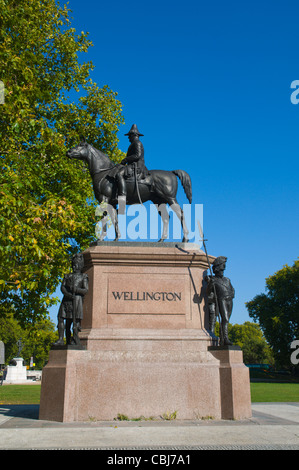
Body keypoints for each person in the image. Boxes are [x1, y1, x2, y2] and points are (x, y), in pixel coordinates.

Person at [53, 253, 89, 346]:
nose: (74, 266)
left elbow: (85, 290)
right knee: (61, 318)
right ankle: (61, 339)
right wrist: (68, 294)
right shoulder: (67, 276)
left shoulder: (83, 277)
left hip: (76, 300)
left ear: (80, 266)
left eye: (76, 264)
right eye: (73, 264)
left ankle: (74, 338)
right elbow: (62, 287)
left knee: (74, 321)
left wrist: (76, 290)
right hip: (67, 299)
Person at [116, 124, 149, 212]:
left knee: (119, 174)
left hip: (136, 165)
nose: (128, 138)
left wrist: (125, 159)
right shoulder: (132, 144)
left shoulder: (137, 143)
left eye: (129, 136)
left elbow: (137, 155)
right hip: (131, 165)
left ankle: (122, 199)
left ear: (134, 135)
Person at [205, 256, 235, 346]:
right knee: (225, 319)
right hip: (221, 300)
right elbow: (207, 292)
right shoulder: (213, 280)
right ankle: (225, 338)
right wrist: (210, 284)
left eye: (223, 269)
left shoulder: (227, 279)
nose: (222, 271)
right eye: (221, 269)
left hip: (229, 300)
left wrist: (232, 294)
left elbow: (232, 289)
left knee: (227, 320)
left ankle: (222, 339)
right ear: (217, 269)